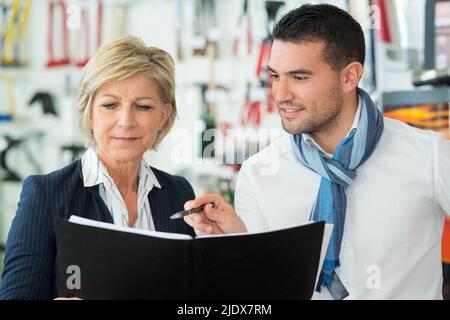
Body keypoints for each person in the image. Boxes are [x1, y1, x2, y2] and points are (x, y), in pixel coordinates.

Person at [184, 4, 450, 299]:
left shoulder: (429, 157)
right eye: (275, 76)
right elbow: (262, 290)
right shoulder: (258, 174)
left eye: (299, 77)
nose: (281, 94)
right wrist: (237, 245)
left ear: (349, 77)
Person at [0, 36, 195, 299]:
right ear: (89, 112)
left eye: (143, 106)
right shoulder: (44, 195)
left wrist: (225, 243)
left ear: (164, 115)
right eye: (110, 105)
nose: (125, 121)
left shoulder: (179, 193)